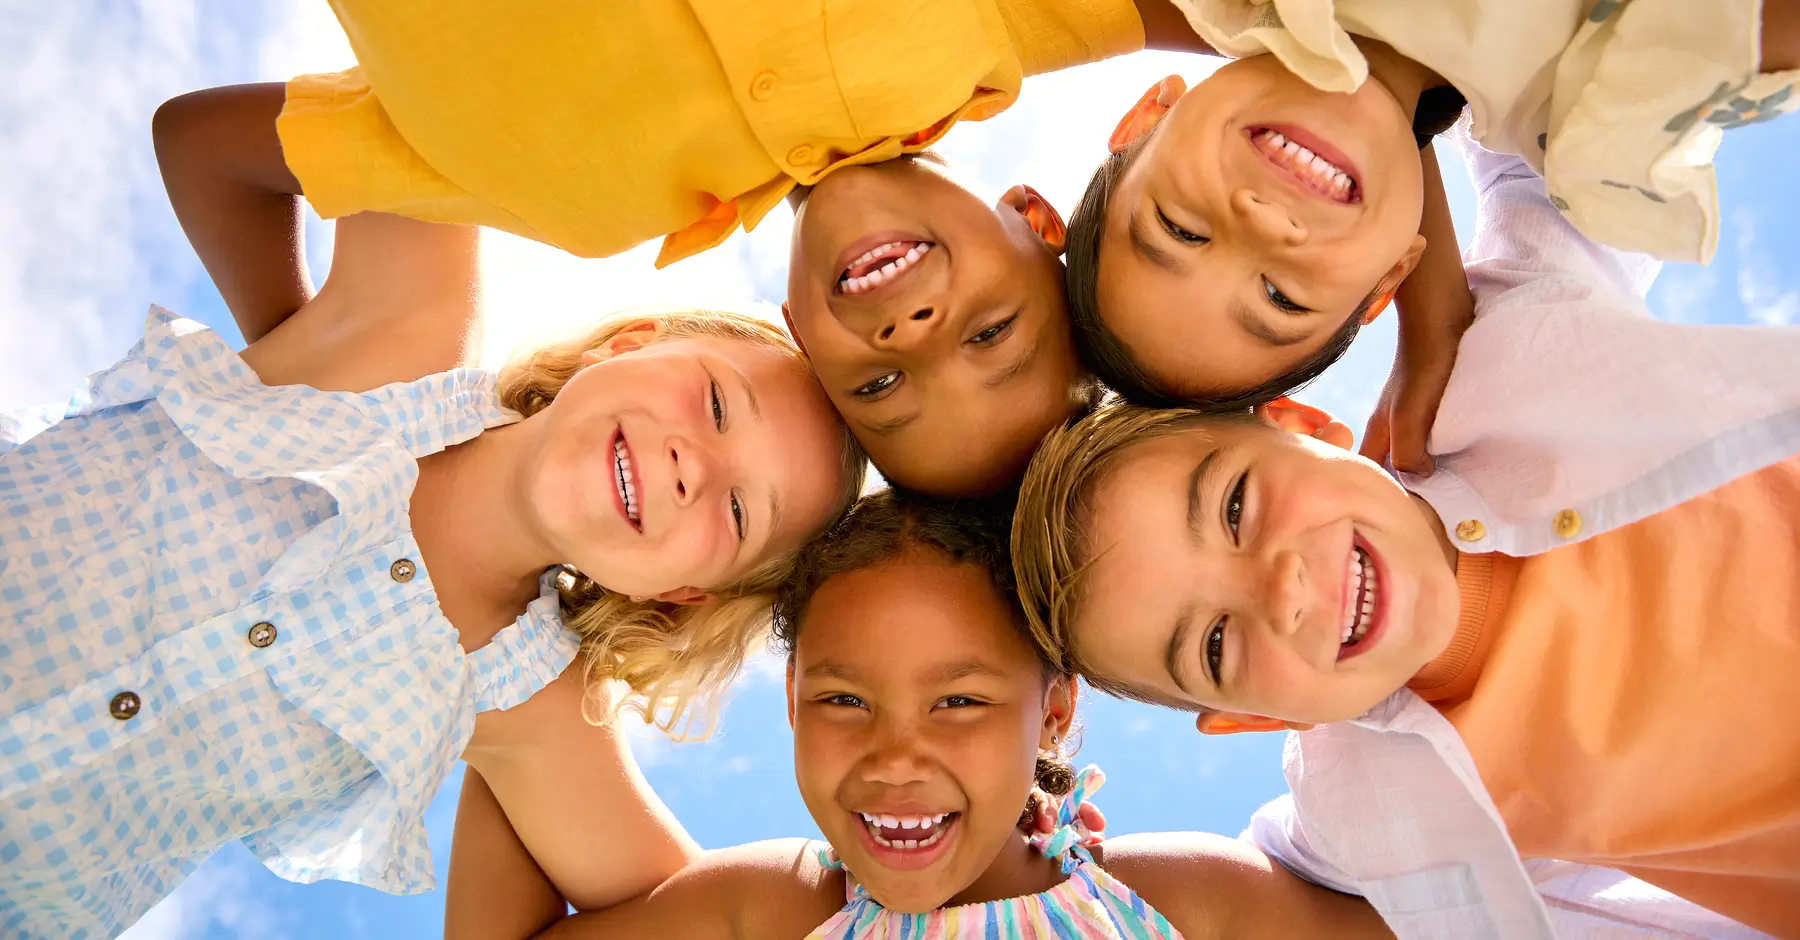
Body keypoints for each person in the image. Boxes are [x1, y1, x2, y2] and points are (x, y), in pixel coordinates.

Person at [1010, 132, 1800, 937]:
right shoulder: (1365, 811)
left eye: (1237, 508)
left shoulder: (1501, 362)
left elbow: (1562, 115)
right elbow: (1183, 905)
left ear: (1299, 420)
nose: (1279, 591)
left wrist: (1427, 268)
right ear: (1258, 717)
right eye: (1215, 645)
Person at [0, 210, 866, 939]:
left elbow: (706, 916)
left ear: (680, 593)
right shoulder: (408, 331)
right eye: (715, 404)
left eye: (739, 512)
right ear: (627, 346)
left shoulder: (528, 702)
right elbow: (204, 144)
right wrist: (300, 350)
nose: (693, 467)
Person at [149, 0, 1218, 496]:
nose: (913, 329)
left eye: (884, 380)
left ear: (803, 339)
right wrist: (1397, 299)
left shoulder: (575, 203)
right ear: (1037, 223)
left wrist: (305, 374)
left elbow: (199, 145)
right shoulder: (1010, 23)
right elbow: (1320, 35)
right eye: (993, 331)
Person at [444, 489, 1394, 939]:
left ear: (1055, 712)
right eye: (844, 699)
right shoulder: (776, 907)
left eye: (960, 701)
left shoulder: (1177, 902)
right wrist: (511, 666)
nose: (894, 756)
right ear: (790, 703)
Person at [1059, 0, 1800, 473]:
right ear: (1389, 274)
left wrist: (1432, 310)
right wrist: (1438, 313)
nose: (1266, 223)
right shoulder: (1592, 127)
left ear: (1146, 119)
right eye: (1281, 296)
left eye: (1180, 229)